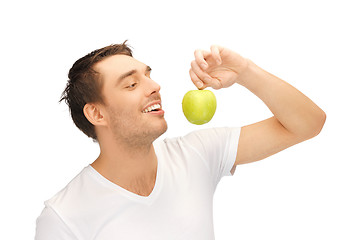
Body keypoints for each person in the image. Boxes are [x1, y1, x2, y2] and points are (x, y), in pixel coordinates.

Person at [35, 41, 326, 240]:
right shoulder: (63, 217)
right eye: (132, 84)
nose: (154, 86)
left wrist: (245, 72)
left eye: (148, 76)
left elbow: (307, 124)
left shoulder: (197, 153)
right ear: (96, 113)